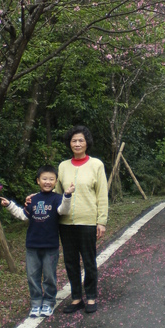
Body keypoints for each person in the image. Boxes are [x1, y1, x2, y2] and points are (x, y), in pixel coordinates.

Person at [0, 165, 75, 318]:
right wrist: (10, 206)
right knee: (32, 276)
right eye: (44, 179)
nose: (48, 182)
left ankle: (48, 303)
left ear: (56, 182)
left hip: (51, 246)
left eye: (51, 179)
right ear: (38, 181)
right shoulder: (33, 199)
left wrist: (67, 196)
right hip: (32, 246)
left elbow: (64, 211)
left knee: (49, 276)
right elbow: (23, 215)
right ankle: (35, 303)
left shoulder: (57, 198)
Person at [55, 125, 108, 314]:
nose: (77, 144)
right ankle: (76, 298)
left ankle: (91, 296)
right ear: (69, 143)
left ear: (87, 143)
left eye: (81, 140)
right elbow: (56, 194)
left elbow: (102, 194)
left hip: (87, 223)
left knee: (88, 260)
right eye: (74, 140)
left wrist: (101, 221)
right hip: (66, 224)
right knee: (70, 261)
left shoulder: (96, 165)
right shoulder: (62, 166)